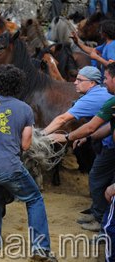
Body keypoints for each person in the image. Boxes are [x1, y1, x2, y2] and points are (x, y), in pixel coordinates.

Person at [0, 64, 58, 262]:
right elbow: (25, 144)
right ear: (18, 86)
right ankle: (40, 247)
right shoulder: (24, 108)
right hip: (9, 167)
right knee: (34, 199)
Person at [44, 66, 113, 232]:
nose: (75, 82)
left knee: (96, 177)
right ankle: (99, 212)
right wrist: (88, 137)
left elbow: (62, 119)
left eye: (79, 80)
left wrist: (42, 136)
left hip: (110, 145)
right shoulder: (101, 93)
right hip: (105, 140)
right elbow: (105, 125)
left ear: (91, 83)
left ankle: (99, 218)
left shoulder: (93, 98)